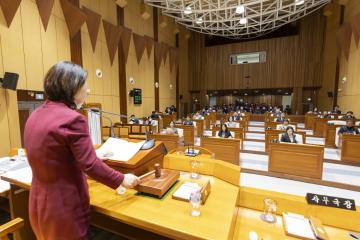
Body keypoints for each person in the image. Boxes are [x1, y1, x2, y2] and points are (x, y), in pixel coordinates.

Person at [24, 61, 140, 240]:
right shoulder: (73, 119)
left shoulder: (35, 115)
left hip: (38, 204)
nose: (88, 90)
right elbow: (91, 165)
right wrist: (122, 179)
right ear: (71, 87)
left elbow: (54, 156)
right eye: (84, 84)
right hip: (64, 208)